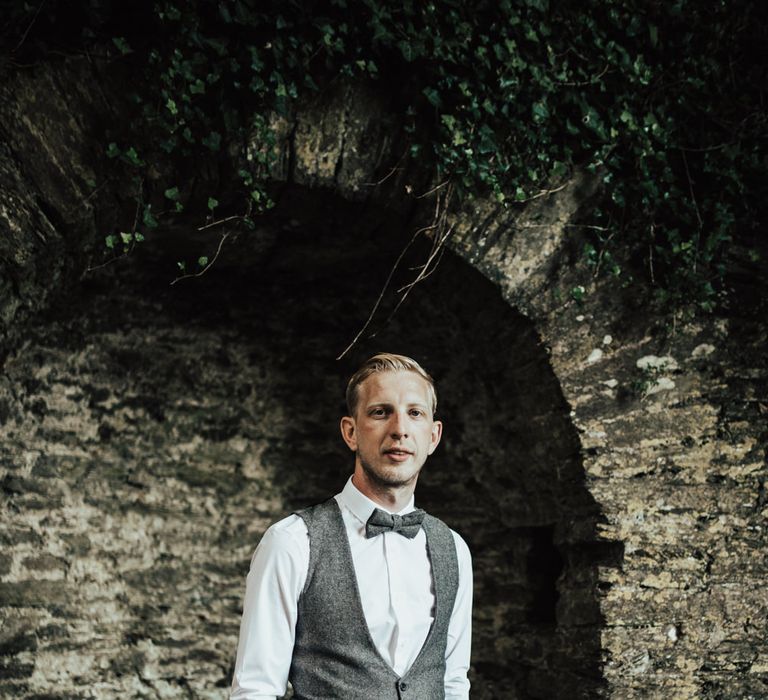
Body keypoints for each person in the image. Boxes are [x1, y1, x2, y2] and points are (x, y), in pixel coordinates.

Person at [230, 353, 473, 699]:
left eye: (415, 413)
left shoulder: (454, 549)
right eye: (380, 412)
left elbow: (453, 685)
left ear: (433, 436)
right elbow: (255, 690)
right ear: (351, 432)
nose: (400, 429)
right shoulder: (292, 543)